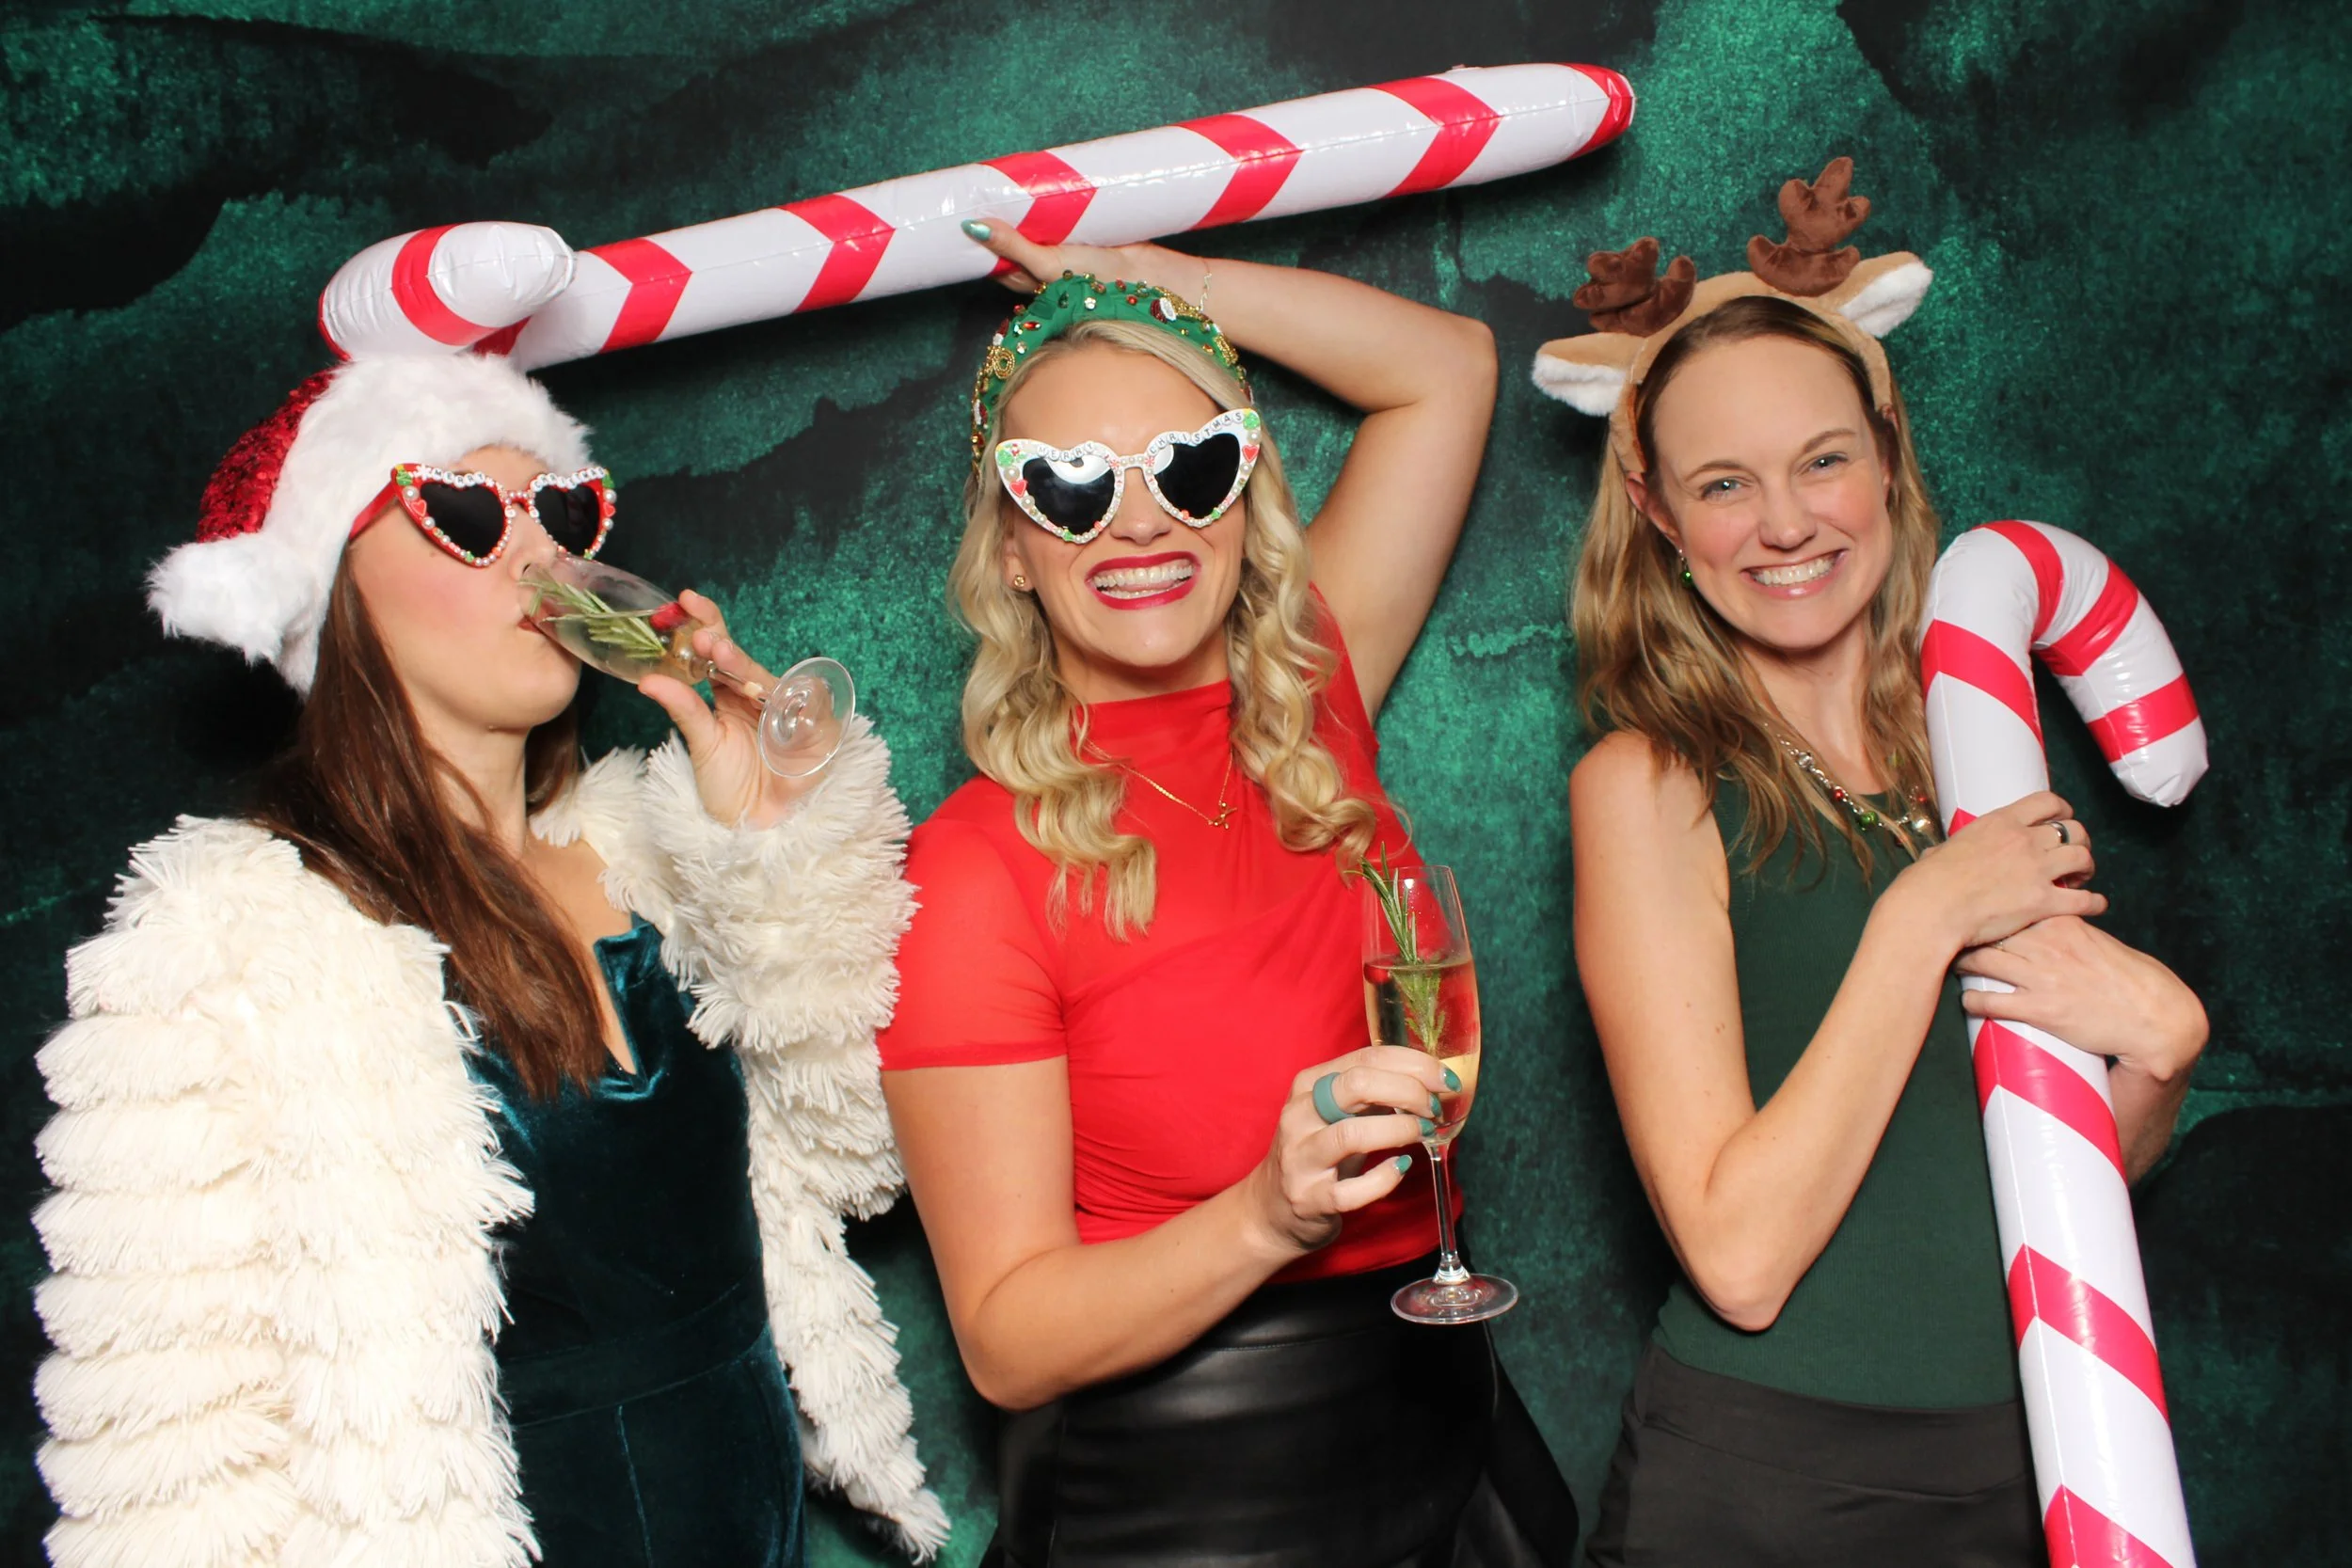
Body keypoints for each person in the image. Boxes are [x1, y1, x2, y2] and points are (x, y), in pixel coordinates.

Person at [31, 352, 945, 1566]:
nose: (540, 557)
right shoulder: (220, 950)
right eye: (463, 513)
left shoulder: (647, 857)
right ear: (330, 590)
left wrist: (765, 831)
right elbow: (166, 1458)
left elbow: (852, 1157)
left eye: (563, 513)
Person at [876, 224, 1578, 1567]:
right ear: (1011, 548)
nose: (1140, 521)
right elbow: (1008, 1338)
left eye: (1191, 468)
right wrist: (1270, 1212)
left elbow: (1447, 366)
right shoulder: (973, 866)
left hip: (1454, 1423)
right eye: (1072, 484)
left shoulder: (1312, 696)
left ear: (1244, 505)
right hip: (1191, 1493)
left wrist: (1146, 287)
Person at [1538, 164, 2208, 1564]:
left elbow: (2049, 1173)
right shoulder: (1648, 783)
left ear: (1888, 461)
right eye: (1726, 484)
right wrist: (1921, 921)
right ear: (1660, 516)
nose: (1786, 525)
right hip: (1770, 1486)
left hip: (2029, 1457)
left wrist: (2159, 1059)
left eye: (1822, 460)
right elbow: (1738, 1254)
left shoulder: (1977, 753)